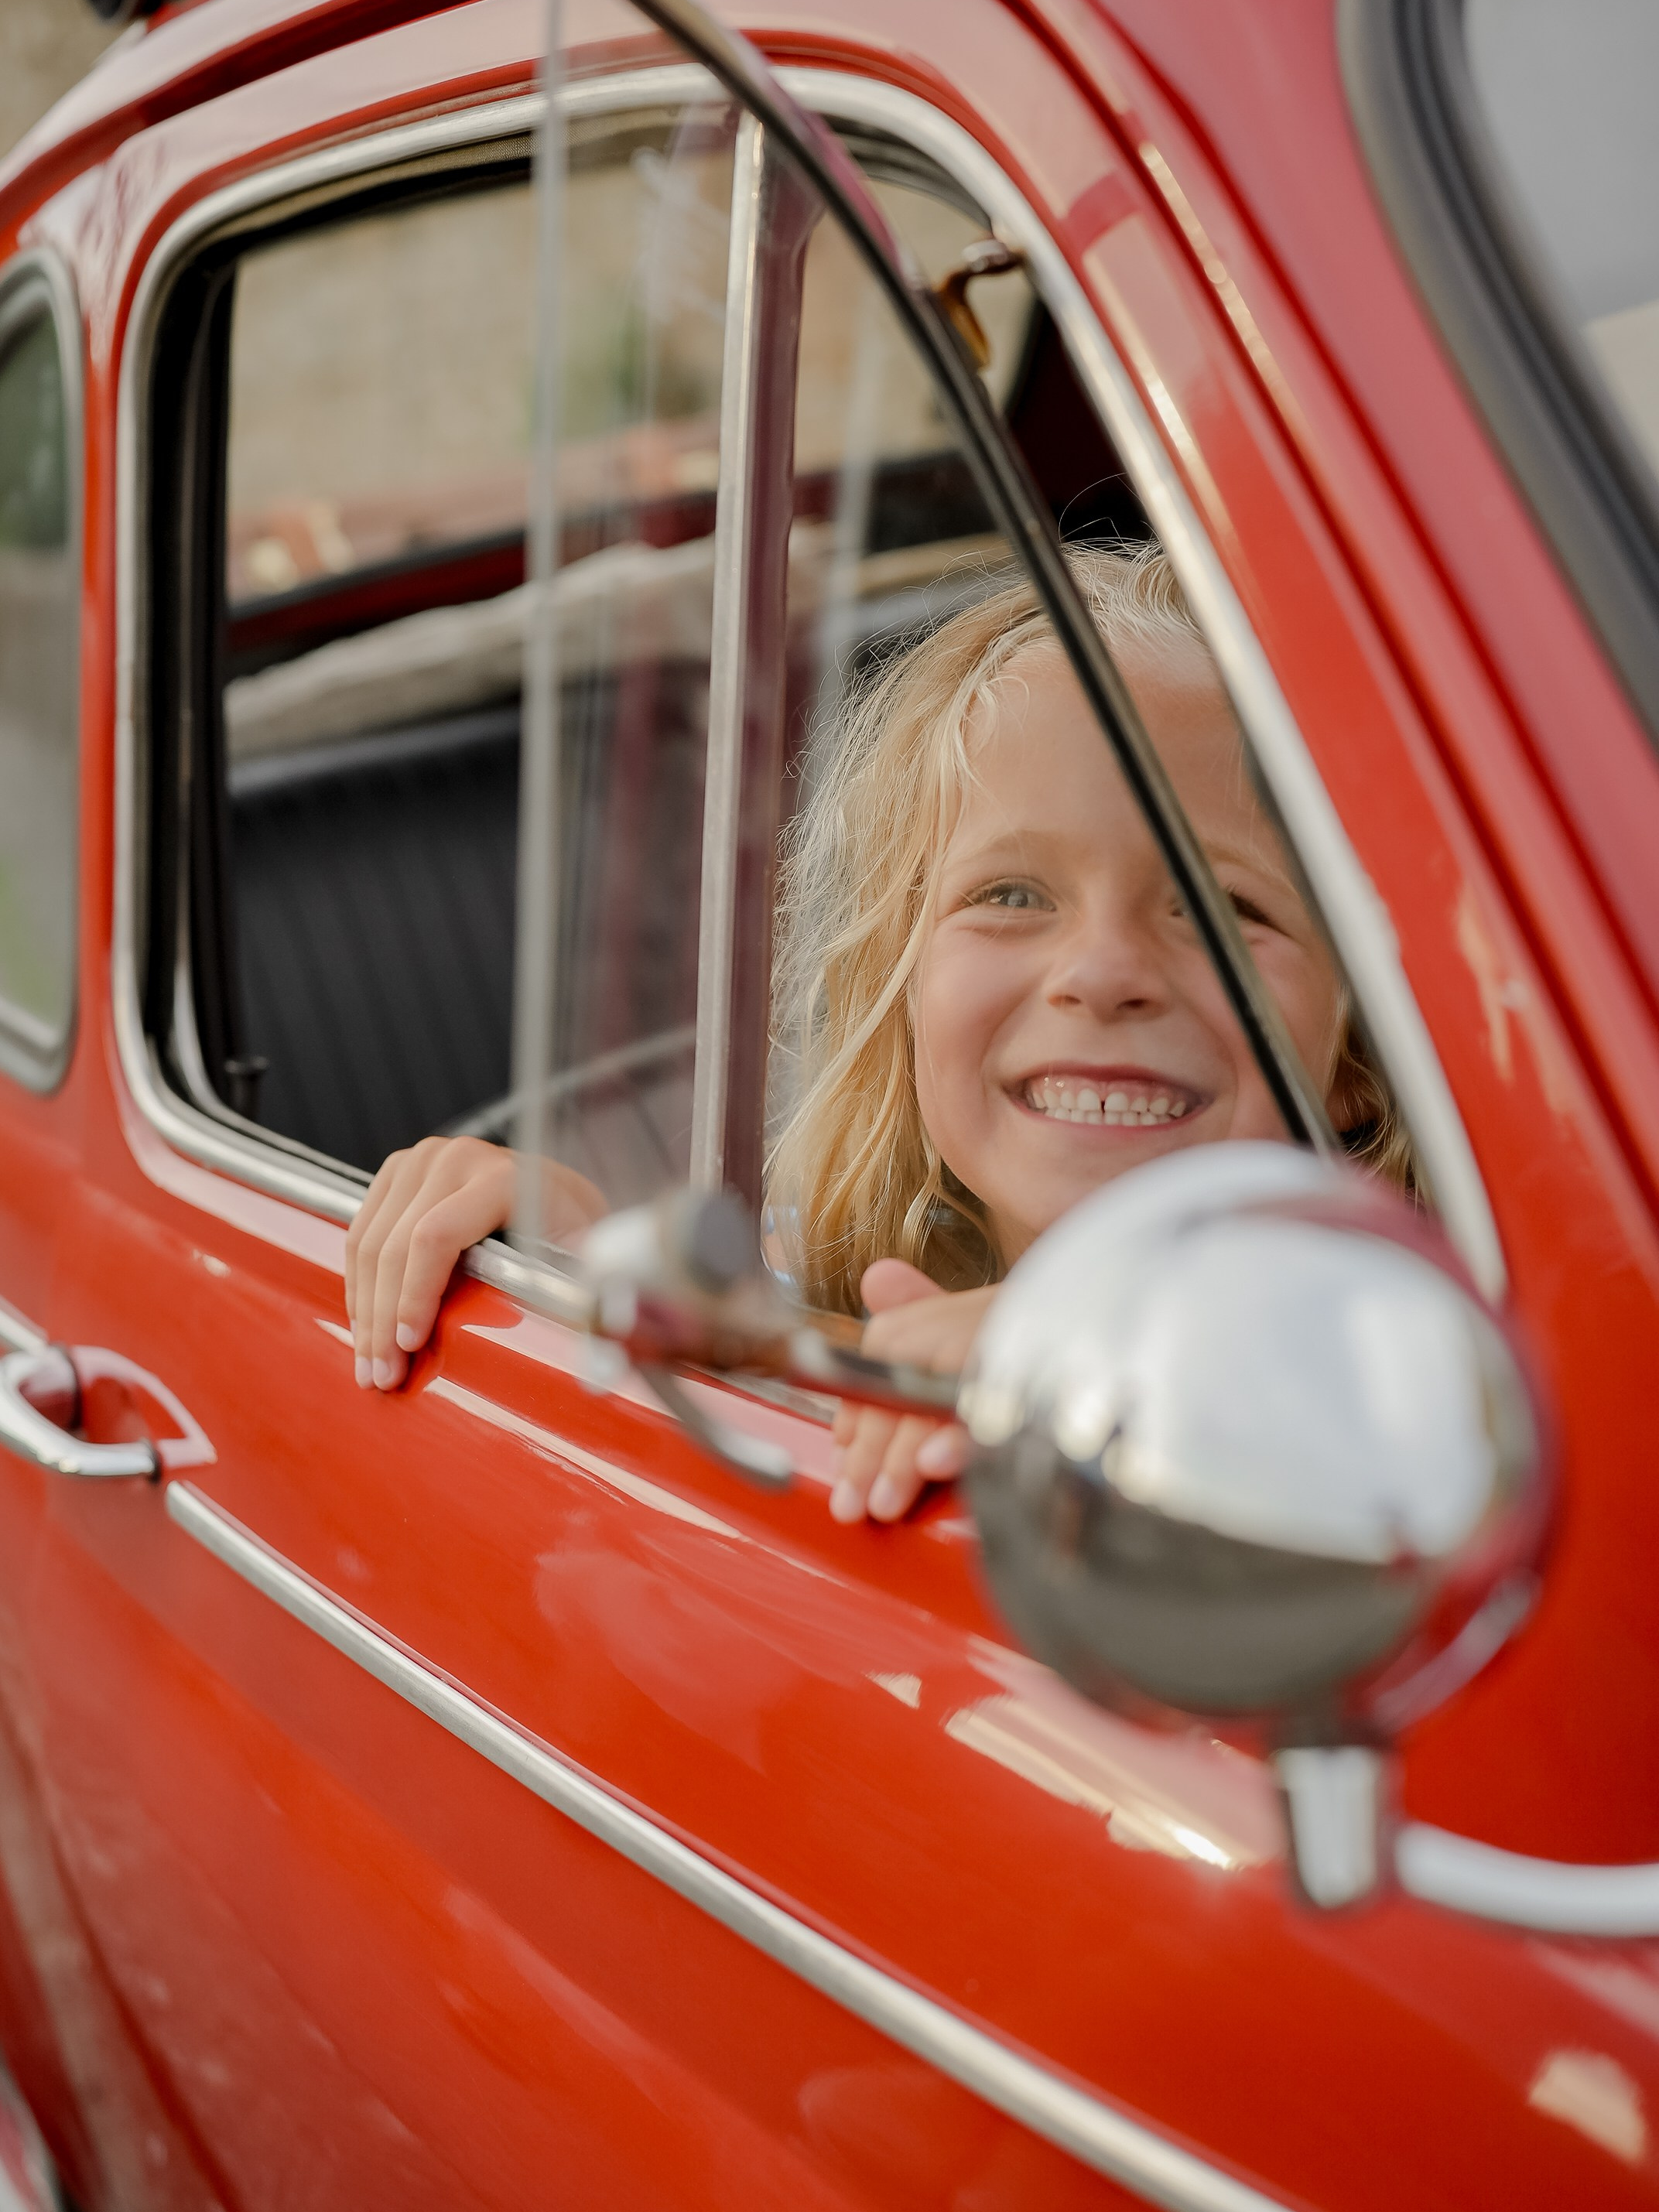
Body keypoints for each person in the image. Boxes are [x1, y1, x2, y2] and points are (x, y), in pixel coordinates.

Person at [345, 545, 1404, 1523]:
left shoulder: (1386, 1342)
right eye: (1015, 894)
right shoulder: (857, 1259)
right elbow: (737, 1335)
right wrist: (571, 1252)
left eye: (1222, 910)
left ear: (1361, 1064)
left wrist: (1100, 1358)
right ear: (903, 997)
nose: (1100, 973)